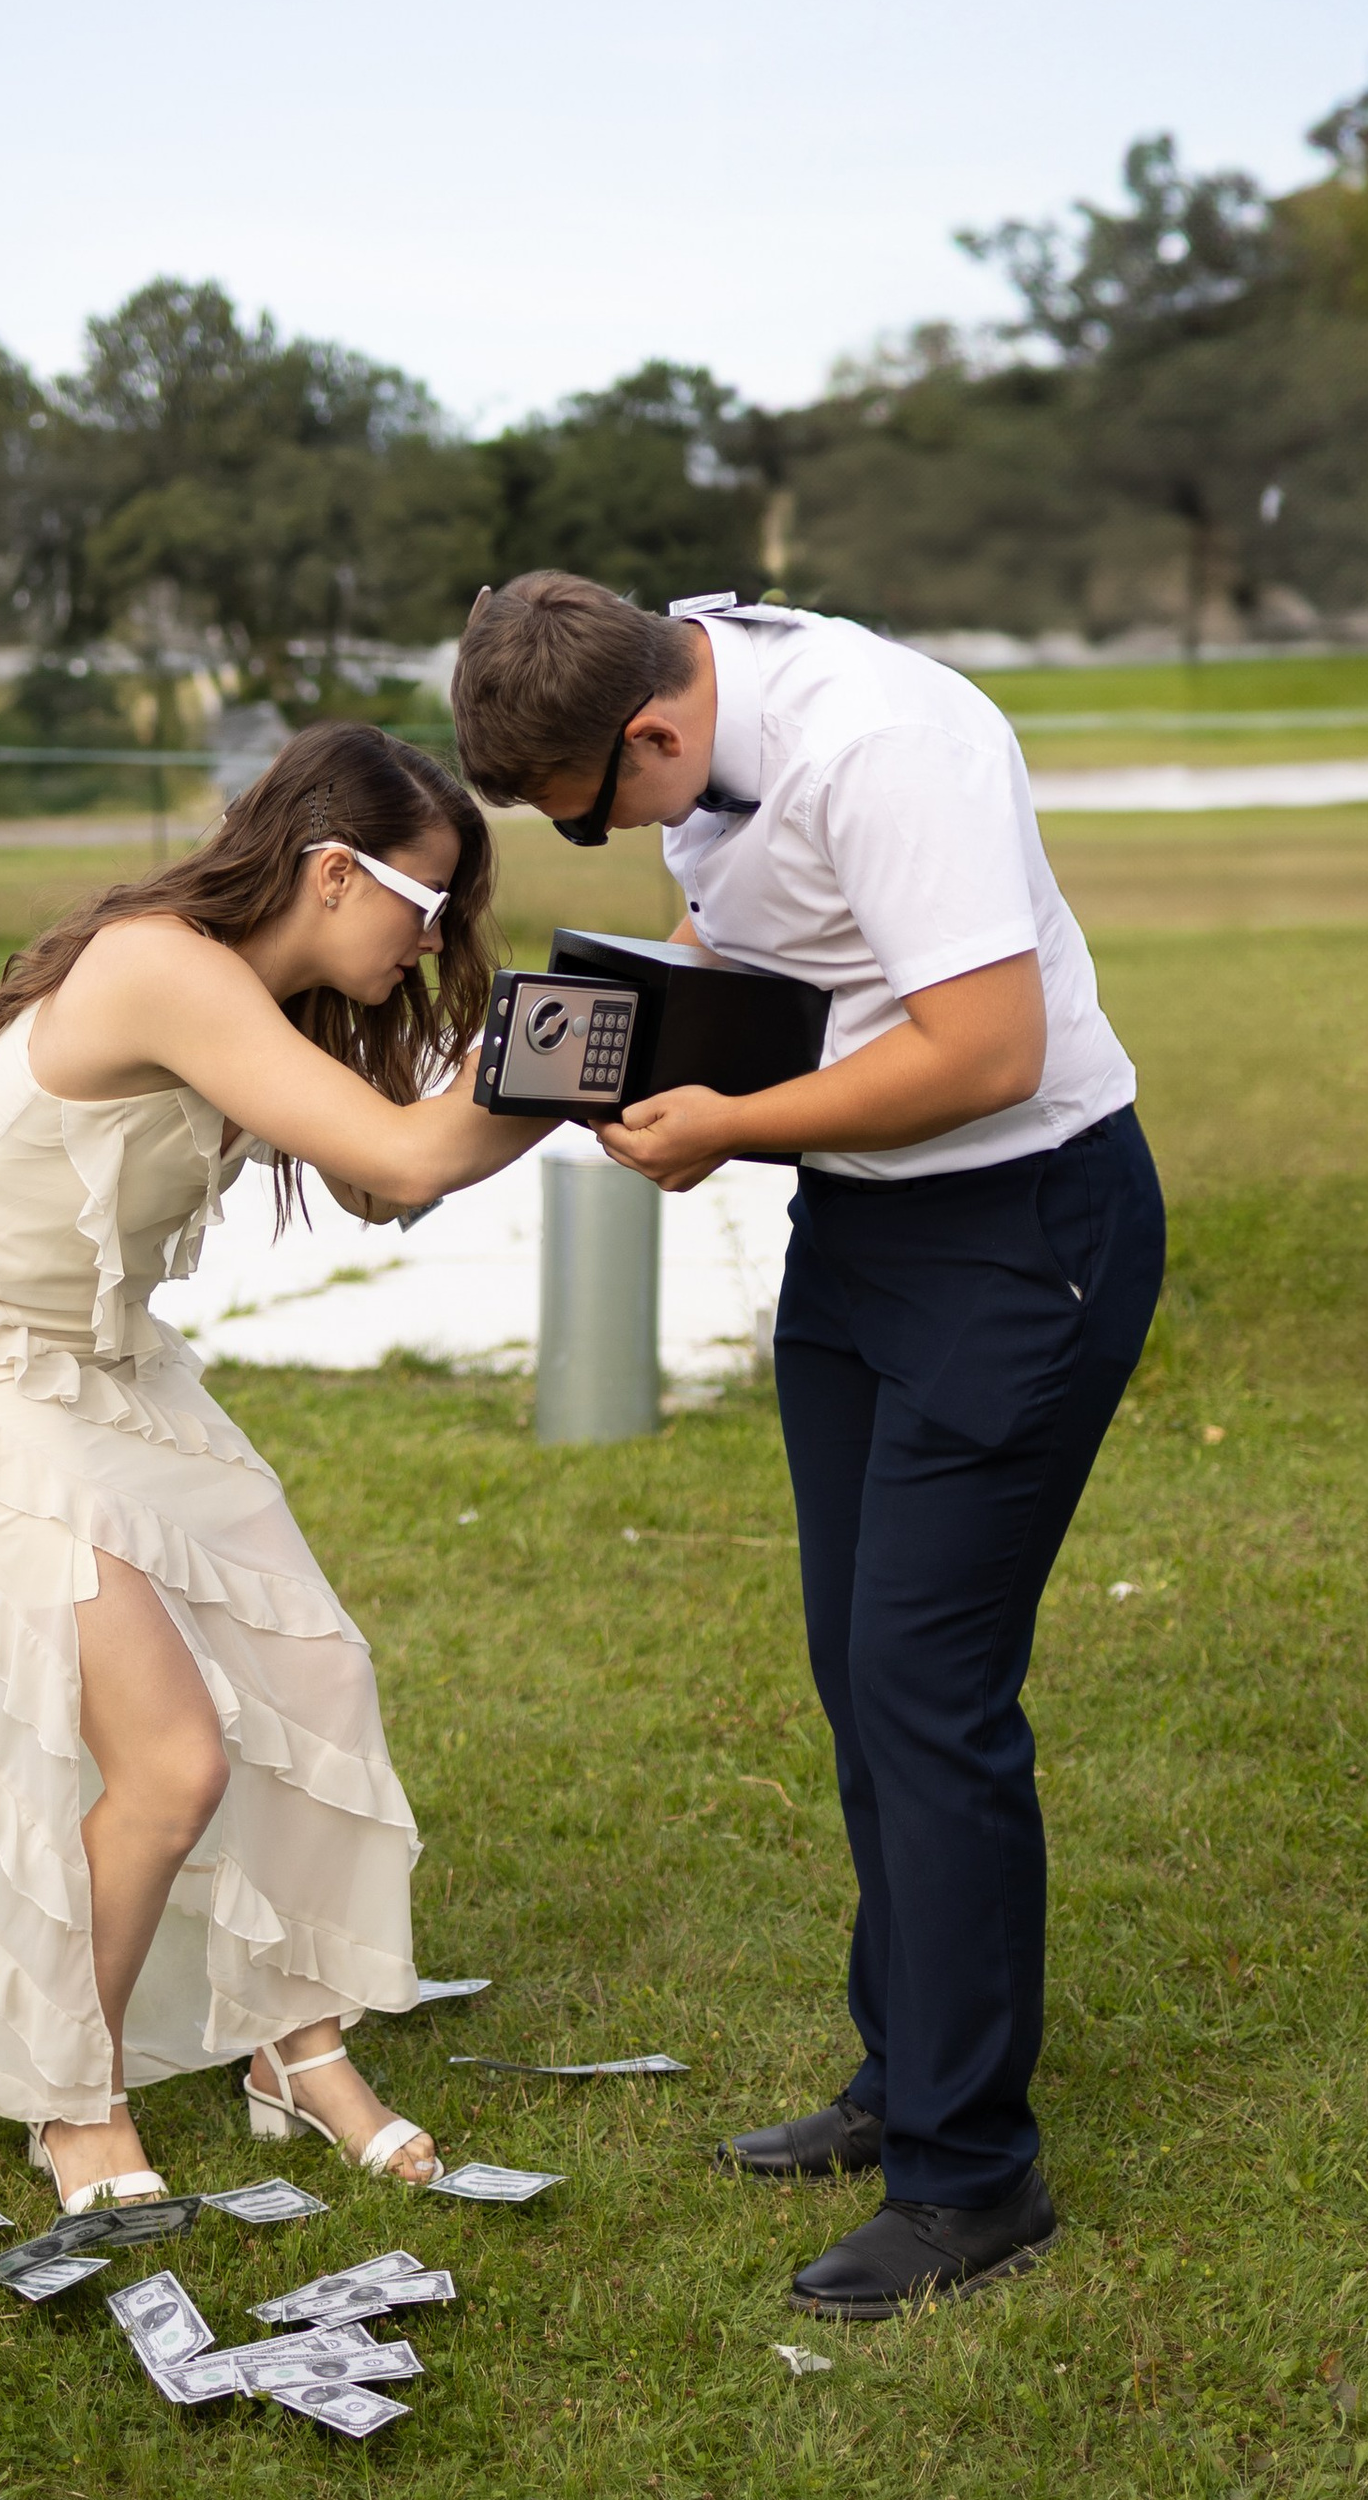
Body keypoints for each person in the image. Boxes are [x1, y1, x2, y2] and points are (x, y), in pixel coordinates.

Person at [452, 574, 1164, 2319]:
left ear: (657, 732)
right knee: (861, 1671)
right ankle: (903, 2069)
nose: (612, 842)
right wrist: (564, 1058)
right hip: (861, 1236)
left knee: (930, 1693)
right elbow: (730, 955)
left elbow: (986, 1051)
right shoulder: (687, 713)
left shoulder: (887, 745)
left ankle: (972, 2178)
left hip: (1019, 1233)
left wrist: (733, 1129)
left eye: (595, 810)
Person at [0, 721, 548, 2216]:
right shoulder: (168, 965)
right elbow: (411, 1161)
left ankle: (295, 2049)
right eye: (426, 911)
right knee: (172, 1760)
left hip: (103, 1367)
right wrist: (574, 1072)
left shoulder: (276, 992)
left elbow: (375, 1180)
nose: (433, 948)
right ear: (334, 870)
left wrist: (567, 1076)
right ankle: (68, 2088)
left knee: (312, 1677)